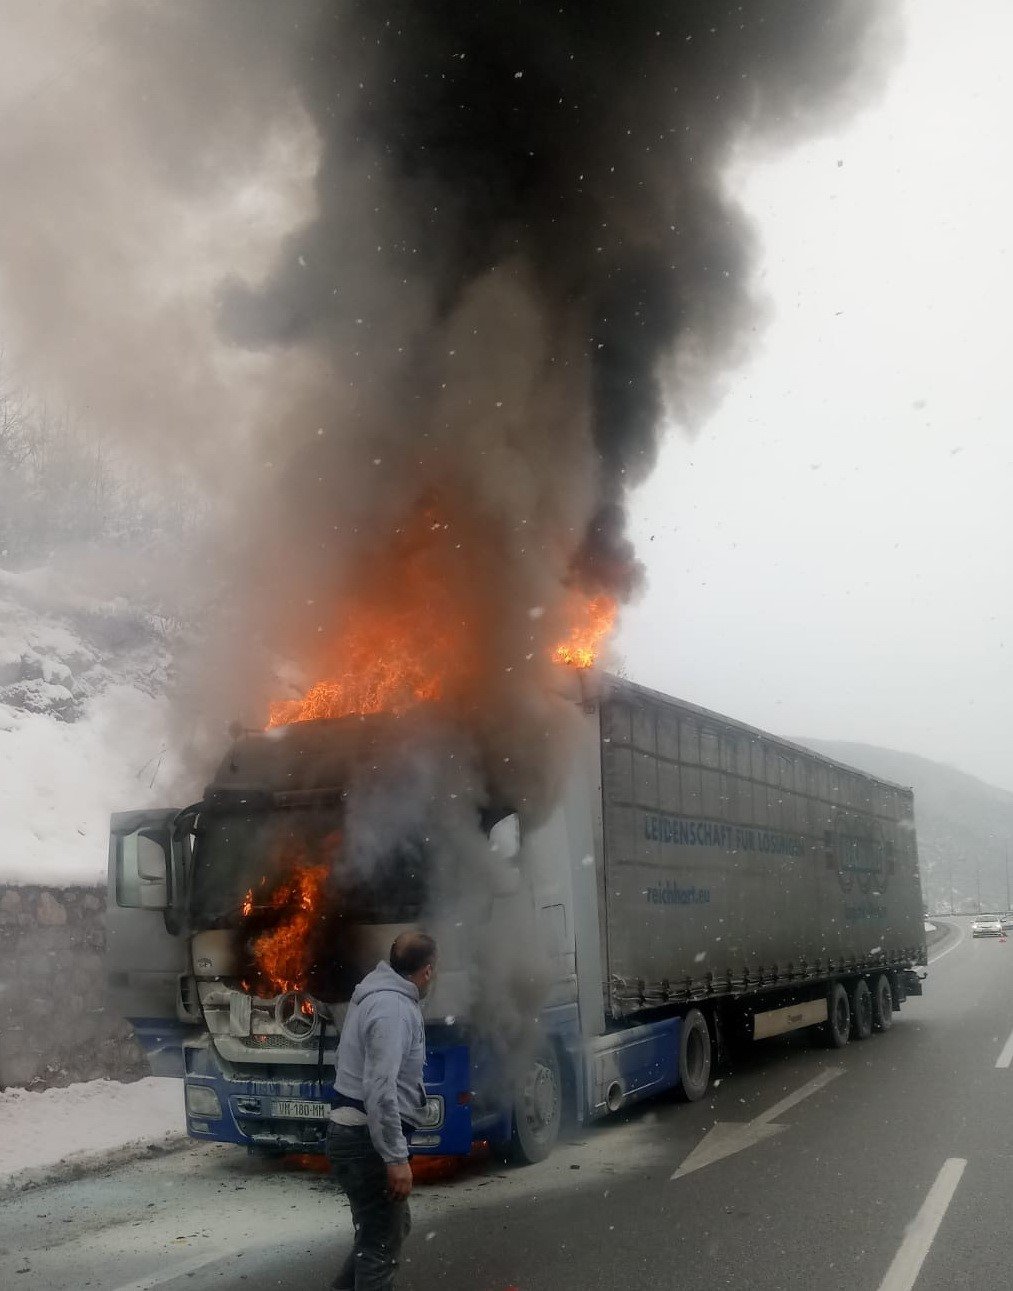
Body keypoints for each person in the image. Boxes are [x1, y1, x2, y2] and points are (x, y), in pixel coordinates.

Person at [326, 931, 437, 1291]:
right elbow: (379, 1088)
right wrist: (395, 1158)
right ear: (427, 971)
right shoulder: (392, 1009)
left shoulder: (376, 995)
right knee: (379, 1246)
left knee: (384, 1231)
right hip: (366, 1143)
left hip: (354, 1136)